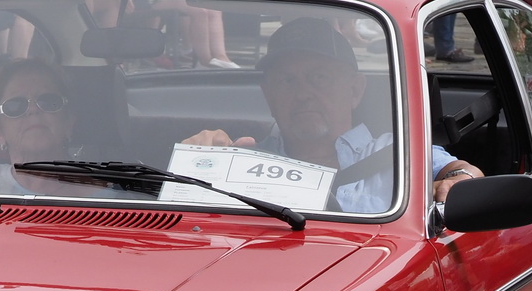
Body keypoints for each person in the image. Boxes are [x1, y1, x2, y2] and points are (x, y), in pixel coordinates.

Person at [181, 18, 482, 214]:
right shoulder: (242, 162)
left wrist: (458, 181)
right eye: (287, 81)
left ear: (355, 90)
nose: (302, 94)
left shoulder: (399, 155)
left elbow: (463, 172)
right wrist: (199, 161)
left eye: (320, 78)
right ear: (268, 96)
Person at [0, 59, 81, 194]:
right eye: (16, 106)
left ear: (69, 121)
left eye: (48, 101)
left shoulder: (104, 193)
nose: (33, 110)